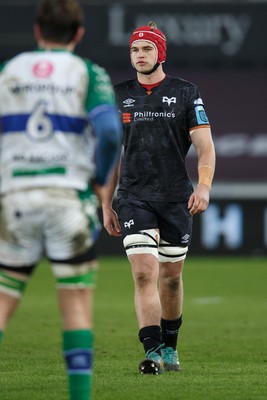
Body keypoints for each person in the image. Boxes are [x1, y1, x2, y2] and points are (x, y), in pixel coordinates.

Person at [0, 0, 122, 399]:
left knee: (4, 298)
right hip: (68, 197)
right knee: (75, 301)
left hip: (15, 197)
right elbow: (107, 133)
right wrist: (100, 179)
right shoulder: (87, 72)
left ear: (37, 31)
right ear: (79, 33)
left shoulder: (10, 69)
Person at [102, 21, 216, 375]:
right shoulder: (117, 94)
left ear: (160, 53)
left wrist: (204, 186)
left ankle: (170, 346)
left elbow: (206, 148)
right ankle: (151, 352)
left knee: (170, 277)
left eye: (147, 49)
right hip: (134, 197)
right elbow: (109, 155)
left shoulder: (186, 93)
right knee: (143, 273)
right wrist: (106, 202)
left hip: (175, 199)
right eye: (135, 49)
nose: (140, 55)